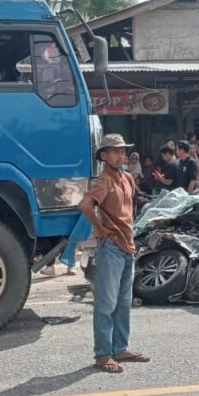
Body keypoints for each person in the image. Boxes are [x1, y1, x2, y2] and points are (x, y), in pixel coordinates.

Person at [78, 134, 150, 374]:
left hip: (127, 246)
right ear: (104, 155)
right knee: (106, 304)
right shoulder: (104, 180)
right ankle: (103, 354)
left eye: (122, 150)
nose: (121, 155)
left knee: (123, 302)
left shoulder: (126, 177)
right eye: (115, 151)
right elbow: (85, 205)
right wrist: (100, 229)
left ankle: (120, 348)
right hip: (111, 248)